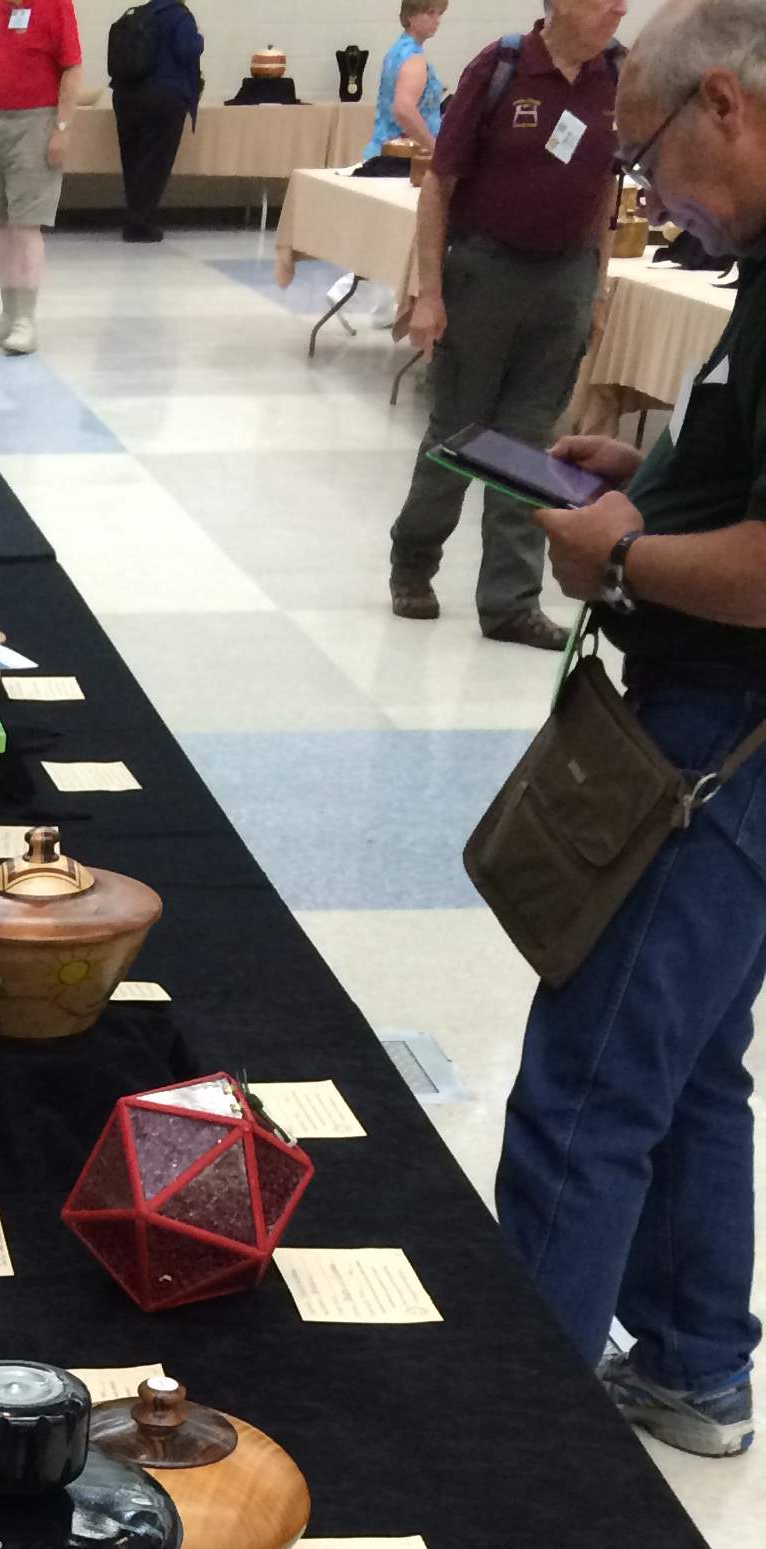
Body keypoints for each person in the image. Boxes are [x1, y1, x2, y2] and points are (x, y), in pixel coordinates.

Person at [495, 0, 766, 1457]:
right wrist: (651, 477)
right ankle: (693, 1364)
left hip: (725, 739)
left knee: (588, 1084)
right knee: (692, 1058)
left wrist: (628, 552)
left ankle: (522, 1452)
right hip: (724, 726)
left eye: (647, 154)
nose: (647, 193)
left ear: (724, 103)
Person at [387, 0, 626, 645]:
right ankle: (414, 561)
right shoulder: (500, 67)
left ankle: (510, 602)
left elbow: (607, 186)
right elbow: (439, 185)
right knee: (459, 432)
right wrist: (429, 293)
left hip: (566, 278)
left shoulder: (617, 76)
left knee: (529, 446)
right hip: (486, 273)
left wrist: (596, 288)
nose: (621, 7)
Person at [0, 0, 84, 355]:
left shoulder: (56, 6)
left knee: (25, 224)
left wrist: (61, 128)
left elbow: (72, 68)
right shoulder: (2, 9)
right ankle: (8, 314)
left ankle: (25, 320)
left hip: (37, 121)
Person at [109, 0, 203, 240]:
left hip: (125, 96)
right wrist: (199, 39)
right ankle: (140, 223)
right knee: (155, 162)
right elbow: (186, 50)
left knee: (133, 160)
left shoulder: (140, 13)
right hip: (165, 97)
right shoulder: (180, 16)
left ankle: (134, 217)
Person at [358, 0, 447, 171]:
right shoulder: (413, 58)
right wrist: (434, 148)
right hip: (402, 158)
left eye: (439, 14)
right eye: (430, 13)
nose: (437, 20)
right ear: (411, 16)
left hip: (385, 153)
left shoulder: (397, 51)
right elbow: (403, 109)